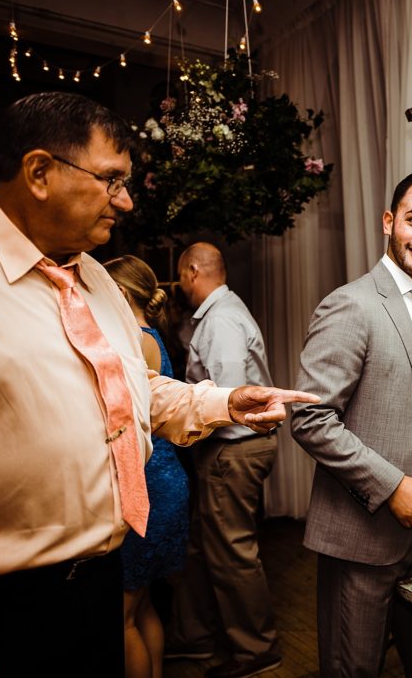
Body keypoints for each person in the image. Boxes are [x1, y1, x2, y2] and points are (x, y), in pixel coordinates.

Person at [0, 92, 318, 678]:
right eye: (112, 179)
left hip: (100, 577)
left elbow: (132, 386)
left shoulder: (94, 275)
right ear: (40, 172)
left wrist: (224, 400)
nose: (126, 200)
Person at [290, 170, 412, 677]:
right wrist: (392, 484)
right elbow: (309, 417)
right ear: (388, 222)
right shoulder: (350, 304)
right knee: (353, 667)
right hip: (363, 532)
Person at [166, 242, 282, 678]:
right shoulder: (223, 313)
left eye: (181, 276)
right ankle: (196, 642)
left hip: (231, 449)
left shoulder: (222, 320)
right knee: (204, 549)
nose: (180, 286)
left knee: (232, 554)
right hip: (227, 450)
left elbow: (229, 396)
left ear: (194, 271)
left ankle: (257, 654)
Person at [104, 254, 188, 678]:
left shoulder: (132, 341)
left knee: (122, 617)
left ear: (118, 293)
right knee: (145, 603)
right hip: (169, 481)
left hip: (148, 485)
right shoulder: (152, 334)